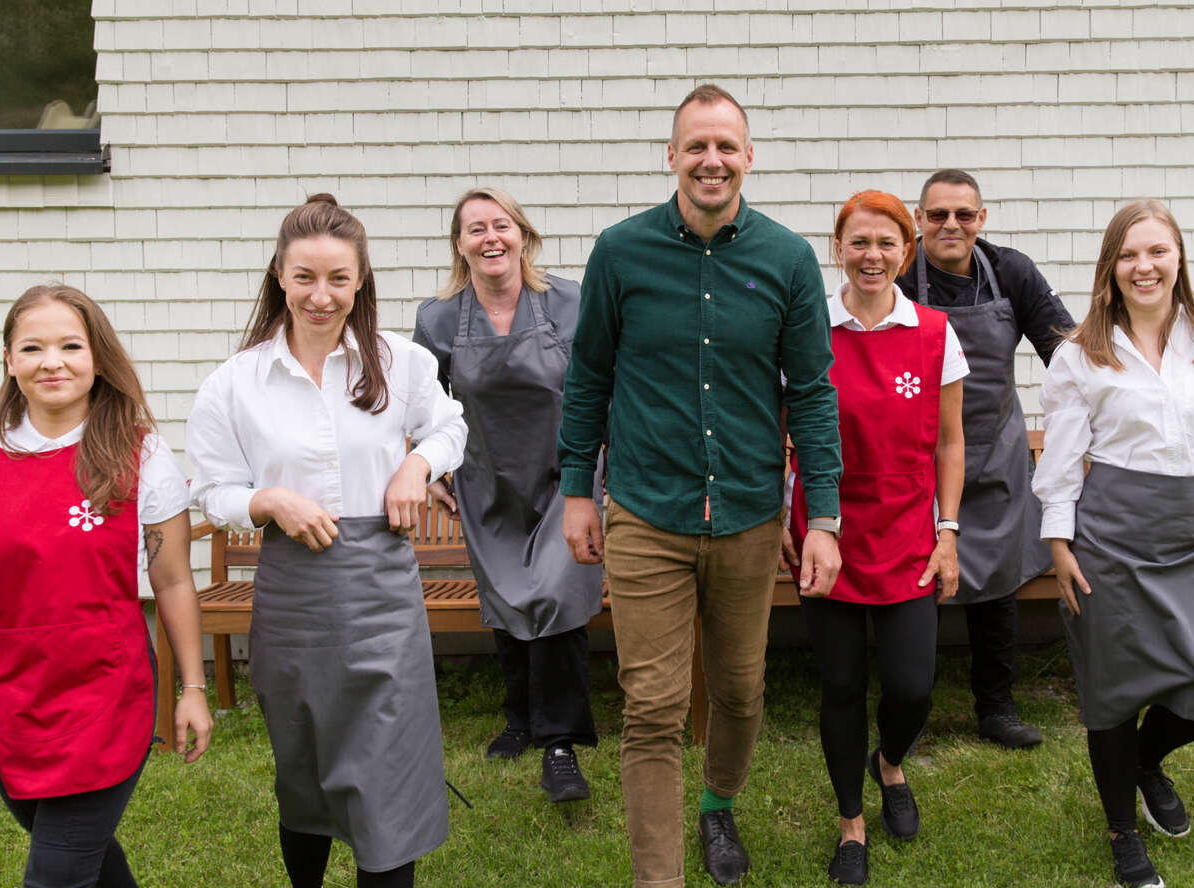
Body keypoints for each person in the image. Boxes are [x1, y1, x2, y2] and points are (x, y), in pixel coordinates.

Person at [558, 84, 843, 888]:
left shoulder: (786, 259)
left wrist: (822, 512)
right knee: (651, 706)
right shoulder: (621, 252)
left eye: (726, 146)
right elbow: (588, 377)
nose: (710, 161)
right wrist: (578, 488)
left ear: (749, 157)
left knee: (742, 692)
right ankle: (661, 878)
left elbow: (813, 391)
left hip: (751, 513)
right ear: (672, 157)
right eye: (695, 146)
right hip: (648, 510)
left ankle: (719, 803)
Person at [188, 195, 467, 888]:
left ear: (361, 280)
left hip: (381, 594)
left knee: (387, 776)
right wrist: (268, 500)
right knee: (305, 771)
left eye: (339, 278)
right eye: (305, 277)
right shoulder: (235, 383)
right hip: (293, 596)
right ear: (279, 277)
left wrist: (416, 464)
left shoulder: (400, 363)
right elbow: (212, 490)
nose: (321, 295)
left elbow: (450, 426)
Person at [1035, 200, 1194, 888]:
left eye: (1157, 252)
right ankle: (1122, 831)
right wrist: (1058, 541)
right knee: (1111, 692)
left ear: (1179, 259)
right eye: (1129, 254)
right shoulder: (1081, 352)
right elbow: (1061, 459)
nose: (1145, 267)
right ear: (1111, 267)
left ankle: (1143, 762)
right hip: (1109, 533)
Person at [0, 284, 212, 887]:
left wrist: (192, 687)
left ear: (97, 357)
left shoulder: (141, 456)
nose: (51, 361)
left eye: (69, 345)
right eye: (32, 347)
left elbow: (173, 582)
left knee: (55, 875)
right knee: (81, 855)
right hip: (7, 700)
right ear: (9, 360)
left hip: (103, 699)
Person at [783, 190, 967, 885]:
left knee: (914, 685)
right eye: (859, 242)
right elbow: (781, 434)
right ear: (838, 249)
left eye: (887, 243)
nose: (872, 256)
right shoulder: (808, 330)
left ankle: (889, 761)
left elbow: (950, 443)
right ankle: (850, 825)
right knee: (839, 682)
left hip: (907, 535)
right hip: (827, 535)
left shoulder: (933, 331)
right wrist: (781, 517)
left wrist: (947, 530)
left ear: (906, 251)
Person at [413, 187, 604, 802]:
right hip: (486, 478)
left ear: (523, 235)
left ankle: (560, 743)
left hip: (566, 476)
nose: (490, 238)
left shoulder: (569, 300)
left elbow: (603, 381)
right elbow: (423, 407)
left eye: (501, 225)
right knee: (506, 597)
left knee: (557, 590)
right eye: (475, 229)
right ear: (460, 245)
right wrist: (431, 470)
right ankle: (519, 718)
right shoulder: (437, 318)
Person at [897, 168, 1074, 749]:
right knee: (913, 586)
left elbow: (1064, 355)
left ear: (982, 219)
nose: (951, 225)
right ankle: (909, 711)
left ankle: (996, 706)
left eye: (964, 214)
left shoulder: (1011, 272)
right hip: (915, 455)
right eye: (938, 215)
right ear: (919, 219)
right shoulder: (896, 272)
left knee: (996, 584)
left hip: (995, 451)